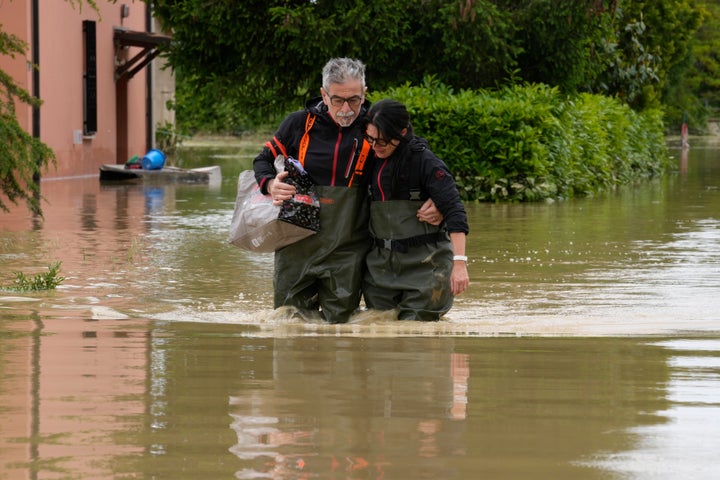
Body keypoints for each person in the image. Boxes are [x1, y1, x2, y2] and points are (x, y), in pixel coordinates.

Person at [253, 58, 441, 323]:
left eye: (354, 100)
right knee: (287, 323)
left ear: (365, 94)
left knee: (340, 328)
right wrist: (270, 184)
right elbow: (262, 160)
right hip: (295, 246)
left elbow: (420, 159)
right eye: (337, 100)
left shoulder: (376, 126)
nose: (346, 109)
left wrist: (437, 199)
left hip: (349, 248)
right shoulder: (298, 124)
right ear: (323, 95)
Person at [362, 99, 469, 320]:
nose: (375, 146)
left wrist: (460, 265)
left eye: (382, 141)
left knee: (418, 338)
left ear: (402, 133)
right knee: (379, 333)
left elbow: (455, 211)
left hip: (426, 268)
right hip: (380, 269)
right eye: (370, 139)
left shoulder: (425, 162)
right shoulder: (369, 159)